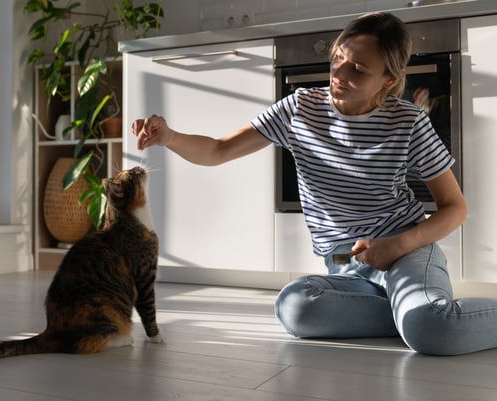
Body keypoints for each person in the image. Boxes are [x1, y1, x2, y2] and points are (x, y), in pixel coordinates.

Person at [132, 12, 497, 355]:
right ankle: (410, 315)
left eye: (358, 68)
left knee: (432, 329)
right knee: (295, 307)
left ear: (388, 79)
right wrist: (170, 137)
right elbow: (218, 150)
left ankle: (421, 317)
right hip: (344, 264)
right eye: (339, 56)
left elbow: (455, 207)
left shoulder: (408, 121)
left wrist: (397, 244)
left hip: (407, 251)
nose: (339, 72)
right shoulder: (298, 109)